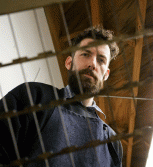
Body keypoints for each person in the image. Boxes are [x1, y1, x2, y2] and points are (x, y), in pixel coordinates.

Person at [0, 26, 123, 167]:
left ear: (106, 74)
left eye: (101, 60)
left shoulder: (113, 143)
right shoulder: (33, 96)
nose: (92, 64)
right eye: (85, 54)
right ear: (69, 62)